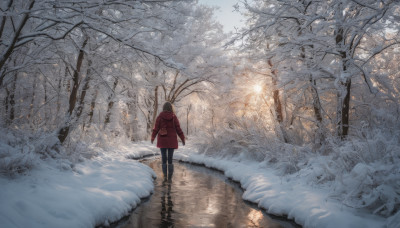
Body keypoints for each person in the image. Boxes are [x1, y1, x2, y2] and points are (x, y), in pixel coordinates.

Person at [151, 102, 185, 178]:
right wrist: (182, 138)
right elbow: (178, 129)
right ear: (171, 108)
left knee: (163, 158)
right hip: (172, 140)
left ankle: (165, 177)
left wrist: (152, 137)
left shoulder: (159, 117)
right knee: (170, 158)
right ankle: (170, 178)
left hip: (162, 140)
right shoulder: (174, 117)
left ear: (163, 108)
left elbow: (155, 129)